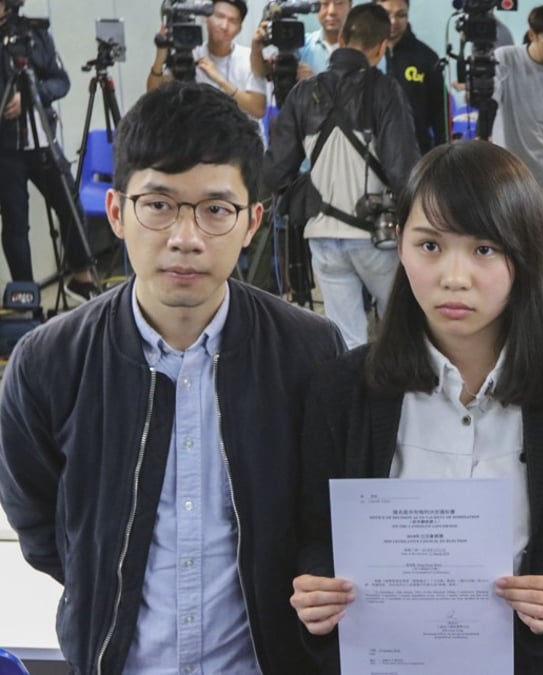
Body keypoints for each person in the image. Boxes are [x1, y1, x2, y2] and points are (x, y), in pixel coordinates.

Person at [0, 82, 345, 673]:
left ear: (252, 222)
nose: (185, 238)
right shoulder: (47, 362)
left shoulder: (310, 354)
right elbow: (40, 524)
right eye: (158, 205)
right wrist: (103, 576)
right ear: (117, 212)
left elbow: (327, 514)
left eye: (215, 210)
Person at [290, 141, 543, 674]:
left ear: (524, 255)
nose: (454, 276)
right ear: (399, 244)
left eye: (484, 249)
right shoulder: (342, 388)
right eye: (429, 245)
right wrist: (315, 590)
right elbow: (311, 536)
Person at [264, 3, 419, 348]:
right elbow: (402, 170)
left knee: (346, 342)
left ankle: (352, 401)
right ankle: (398, 399)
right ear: (381, 48)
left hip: (322, 236)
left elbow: (274, 171)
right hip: (375, 237)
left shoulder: (303, 93)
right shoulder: (385, 90)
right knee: (405, 330)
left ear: (344, 37)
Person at [0, 0, 99, 299]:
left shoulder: (33, 33)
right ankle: (26, 296)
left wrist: (32, 96)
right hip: (5, 149)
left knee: (70, 206)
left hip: (43, 140)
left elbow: (61, 81)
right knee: (16, 225)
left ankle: (81, 278)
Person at [492, 4, 543, 252]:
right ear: (532, 35)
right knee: (506, 247)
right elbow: (489, 99)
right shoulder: (506, 59)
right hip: (509, 174)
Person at [147, 0, 267, 122]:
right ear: (206, 17)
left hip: (242, 136)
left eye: (233, 21)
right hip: (202, 136)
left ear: (240, 28)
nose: (224, 26)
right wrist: (160, 56)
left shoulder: (250, 57)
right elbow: (152, 96)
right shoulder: (189, 53)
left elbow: (258, 109)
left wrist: (220, 80)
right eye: (220, 17)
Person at [375, 0, 447, 153]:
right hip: (372, 151)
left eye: (401, 15)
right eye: (387, 14)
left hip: (415, 151)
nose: (393, 21)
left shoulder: (426, 57)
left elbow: (440, 113)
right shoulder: (364, 55)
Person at [251, 0, 351, 81]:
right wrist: (256, 47)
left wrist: (315, 83)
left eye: (339, 3)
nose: (331, 11)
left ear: (350, 6)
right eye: (325, 4)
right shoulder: (299, 43)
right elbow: (261, 72)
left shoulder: (359, 46)